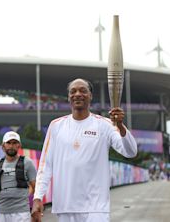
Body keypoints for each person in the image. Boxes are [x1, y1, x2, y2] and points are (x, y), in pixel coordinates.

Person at [31, 78, 137, 222]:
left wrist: (121, 127)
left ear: (90, 96)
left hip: (96, 207)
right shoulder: (56, 126)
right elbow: (46, 165)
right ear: (68, 97)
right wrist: (37, 197)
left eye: (83, 90)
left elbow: (130, 152)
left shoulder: (105, 125)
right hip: (65, 206)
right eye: (73, 91)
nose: (77, 94)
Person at [0, 131, 37, 222]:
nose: (11, 146)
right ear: (3, 146)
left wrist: (36, 209)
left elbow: (36, 187)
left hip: (21, 213)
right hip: (0, 213)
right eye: (9, 143)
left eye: (14, 143)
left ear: (19, 145)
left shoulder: (27, 162)